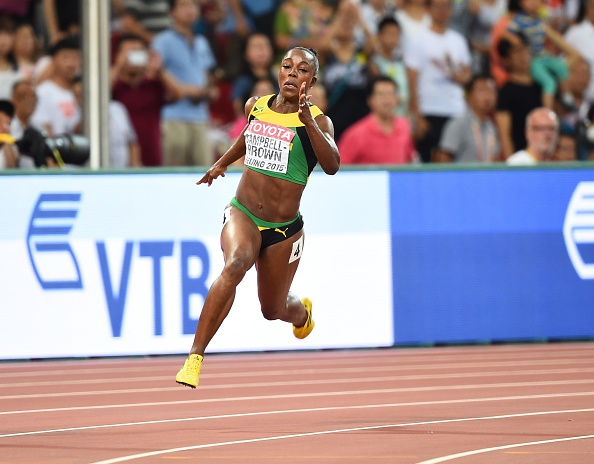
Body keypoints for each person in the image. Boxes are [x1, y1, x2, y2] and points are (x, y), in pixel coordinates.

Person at [175, 46, 340, 389]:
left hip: (284, 231)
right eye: (287, 66)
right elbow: (248, 136)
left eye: (303, 70)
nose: (293, 73)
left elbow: (333, 165)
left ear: (312, 80)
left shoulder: (319, 121)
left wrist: (307, 119)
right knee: (236, 264)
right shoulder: (256, 106)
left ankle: (302, 313)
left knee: (272, 309)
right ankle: (194, 357)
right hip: (244, 213)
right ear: (279, 73)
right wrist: (222, 162)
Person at [152, 0, 219, 166]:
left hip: (201, 116)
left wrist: (210, 89)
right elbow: (154, 70)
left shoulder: (201, 41)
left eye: (193, 5)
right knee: (174, 173)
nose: (190, 9)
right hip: (174, 116)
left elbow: (207, 73)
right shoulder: (162, 41)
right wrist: (181, 89)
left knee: (204, 173)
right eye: (183, 5)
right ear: (172, 13)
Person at [405, 0, 472, 163]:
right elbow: (412, 79)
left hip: (456, 109)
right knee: (430, 159)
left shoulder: (458, 41)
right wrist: (417, 115)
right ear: (428, 9)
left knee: (457, 160)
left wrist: (460, 77)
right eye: (438, 6)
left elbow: (468, 73)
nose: (443, 11)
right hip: (430, 109)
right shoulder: (418, 39)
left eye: (446, 7)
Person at [338, 76, 415, 164]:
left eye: (390, 94)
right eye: (381, 94)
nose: (386, 99)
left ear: (397, 99)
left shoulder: (405, 126)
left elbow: (409, 162)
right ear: (370, 100)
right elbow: (341, 168)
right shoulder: (356, 134)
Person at [495, 34, 542, 159]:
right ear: (506, 60)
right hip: (521, 157)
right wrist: (512, 165)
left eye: (525, 49)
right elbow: (504, 134)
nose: (523, 55)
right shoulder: (505, 92)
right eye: (516, 51)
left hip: (545, 157)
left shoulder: (542, 86)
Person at [435, 74, 499, 162]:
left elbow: (494, 158)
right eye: (481, 90)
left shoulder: (492, 127)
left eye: (491, 91)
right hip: (462, 176)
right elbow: (443, 159)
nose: (487, 95)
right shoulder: (458, 124)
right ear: (469, 96)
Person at [30, 35, 80, 136]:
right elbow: (43, 128)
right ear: (53, 60)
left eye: (75, 57)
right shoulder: (43, 92)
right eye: (65, 57)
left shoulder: (80, 92)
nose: (71, 63)